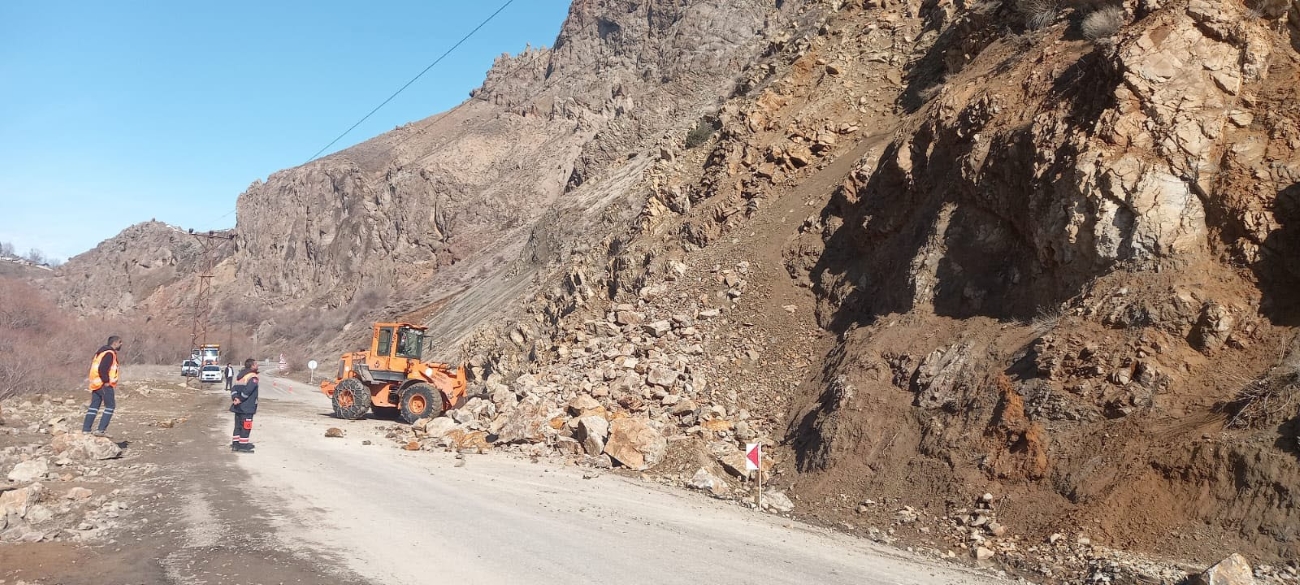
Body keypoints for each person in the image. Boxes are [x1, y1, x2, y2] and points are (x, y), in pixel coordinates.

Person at [83, 335, 122, 436]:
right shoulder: (109, 354)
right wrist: (106, 381)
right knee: (110, 406)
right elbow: (102, 369)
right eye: (120, 342)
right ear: (115, 343)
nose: (121, 344)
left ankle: (86, 429)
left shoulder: (101, 352)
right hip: (103, 384)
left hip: (96, 384)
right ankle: (101, 430)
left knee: (94, 406)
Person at [229, 358, 259, 453]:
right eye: (256, 364)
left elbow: (233, 388)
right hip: (247, 407)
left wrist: (235, 398)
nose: (257, 365)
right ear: (252, 366)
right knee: (246, 426)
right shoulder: (253, 377)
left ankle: (235, 444)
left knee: (237, 426)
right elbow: (248, 390)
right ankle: (243, 445)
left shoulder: (240, 376)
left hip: (238, 407)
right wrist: (240, 399)